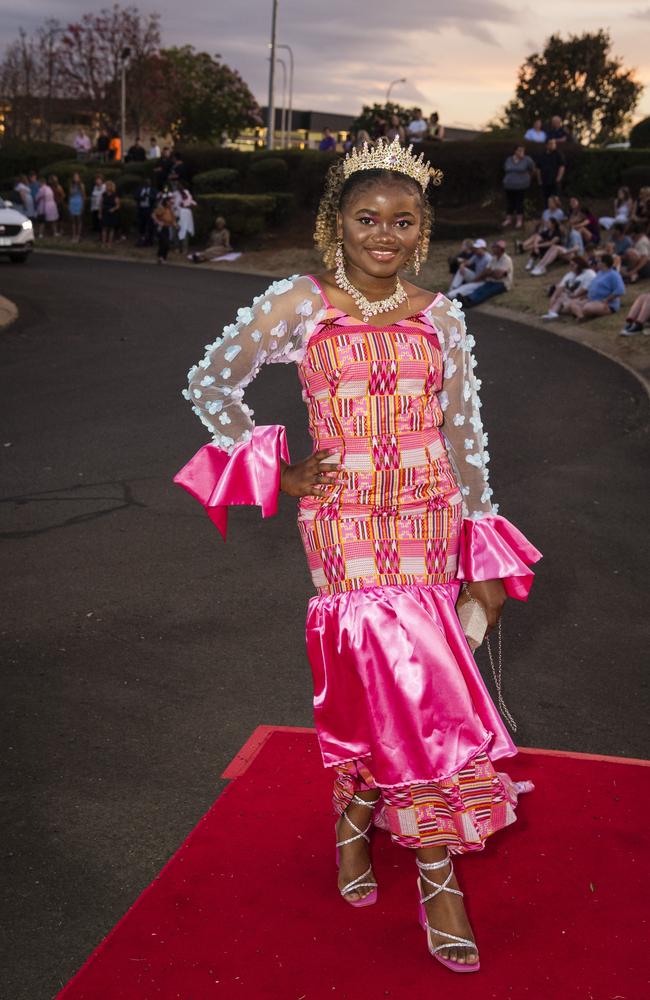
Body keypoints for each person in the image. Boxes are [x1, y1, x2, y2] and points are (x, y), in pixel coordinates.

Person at [175, 137, 541, 972]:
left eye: (403, 221)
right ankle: (438, 871)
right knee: (399, 680)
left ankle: (354, 821)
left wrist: (481, 540)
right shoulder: (301, 303)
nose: (386, 233)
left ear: (423, 229)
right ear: (334, 221)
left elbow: (463, 433)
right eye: (368, 217)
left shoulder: (441, 314)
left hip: (429, 516)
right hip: (345, 524)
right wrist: (282, 469)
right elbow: (209, 382)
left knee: (400, 687)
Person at [566, 254, 625, 322]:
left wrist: (607, 300)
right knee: (573, 304)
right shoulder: (600, 273)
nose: (597, 263)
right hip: (592, 300)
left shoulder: (614, 275)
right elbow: (593, 287)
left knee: (587, 308)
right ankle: (581, 316)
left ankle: (581, 314)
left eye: (599, 261)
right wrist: (586, 296)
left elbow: (620, 290)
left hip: (607, 304)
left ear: (604, 263)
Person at [461, 240, 514, 306]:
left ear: (500, 249)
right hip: (492, 280)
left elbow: (499, 276)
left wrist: (490, 273)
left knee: (488, 291)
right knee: (481, 289)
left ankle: (472, 301)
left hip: (502, 283)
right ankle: (468, 297)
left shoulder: (507, 259)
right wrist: (492, 272)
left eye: (495, 247)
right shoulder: (494, 258)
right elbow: (487, 270)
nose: (493, 249)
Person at [502, 144, 535, 229]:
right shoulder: (509, 159)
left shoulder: (527, 159)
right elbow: (506, 168)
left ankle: (519, 220)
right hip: (509, 185)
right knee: (510, 202)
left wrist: (528, 178)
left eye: (522, 150)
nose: (521, 152)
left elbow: (532, 169)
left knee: (519, 203)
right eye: (519, 150)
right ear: (515, 151)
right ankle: (508, 219)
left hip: (521, 185)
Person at [535, 139, 565, 207]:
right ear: (547, 145)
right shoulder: (542, 155)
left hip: (554, 181)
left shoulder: (558, 154)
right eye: (551, 143)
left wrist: (558, 178)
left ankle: (558, 215)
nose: (553, 145)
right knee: (546, 199)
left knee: (556, 199)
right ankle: (547, 214)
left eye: (554, 143)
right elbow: (538, 168)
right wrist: (539, 180)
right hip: (544, 181)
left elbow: (562, 166)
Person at [152, 193, 177, 263]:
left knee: (167, 243)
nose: (171, 203)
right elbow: (153, 215)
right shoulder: (162, 208)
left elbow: (173, 220)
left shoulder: (170, 210)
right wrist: (158, 222)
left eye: (171, 202)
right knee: (164, 242)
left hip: (167, 228)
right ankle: (160, 257)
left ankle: (163, 257)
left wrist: (175, 225)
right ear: (166, 202)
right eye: (169, 202)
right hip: (161, 228)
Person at [175, 187, 196, 254]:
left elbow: (193, 203)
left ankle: (185, 249)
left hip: (185, 215)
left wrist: (187, 205)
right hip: (179, 214)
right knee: (178, 232)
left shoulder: (187, 194)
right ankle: (178, 248)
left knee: (185, 231)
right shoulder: (176, 194)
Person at [135, 178, 156, 245]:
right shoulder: (140, 189)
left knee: (150, 226)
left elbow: (155, 198)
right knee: (141, 225)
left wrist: (149, 196)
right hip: (141, 209)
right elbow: (136, 197)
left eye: (148, 182)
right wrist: (142, 197)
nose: (147, 183)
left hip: (149, 209)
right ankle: (141, 239)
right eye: (146, 182)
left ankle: (149, 240)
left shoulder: (153, 190)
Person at [100, 180, 120, 247]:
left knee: (111, 229)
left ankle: (109, 243)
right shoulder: (104, 194)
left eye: (108, 185)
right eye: (106, 186)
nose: (107, 187)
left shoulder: (115, 195)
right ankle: (103, 243)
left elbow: (118, 205)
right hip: (105, 212)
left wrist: (113, 209)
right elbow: (101, 204)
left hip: (112, 213)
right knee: (104, 228)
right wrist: (100, 213)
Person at [68, 172, 86, 243]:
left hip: (79, 202)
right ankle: (73, 235)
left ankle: (78, 235)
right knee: (73, 220)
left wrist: (83, 205)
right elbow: (70, 195)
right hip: (72, 202)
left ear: (79, 178)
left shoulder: (81, 185)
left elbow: (83, 196)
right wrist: (69, 204)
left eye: (77, 177)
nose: (75, 178)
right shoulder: (71, 185)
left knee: (78, 220)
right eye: (74, 177)